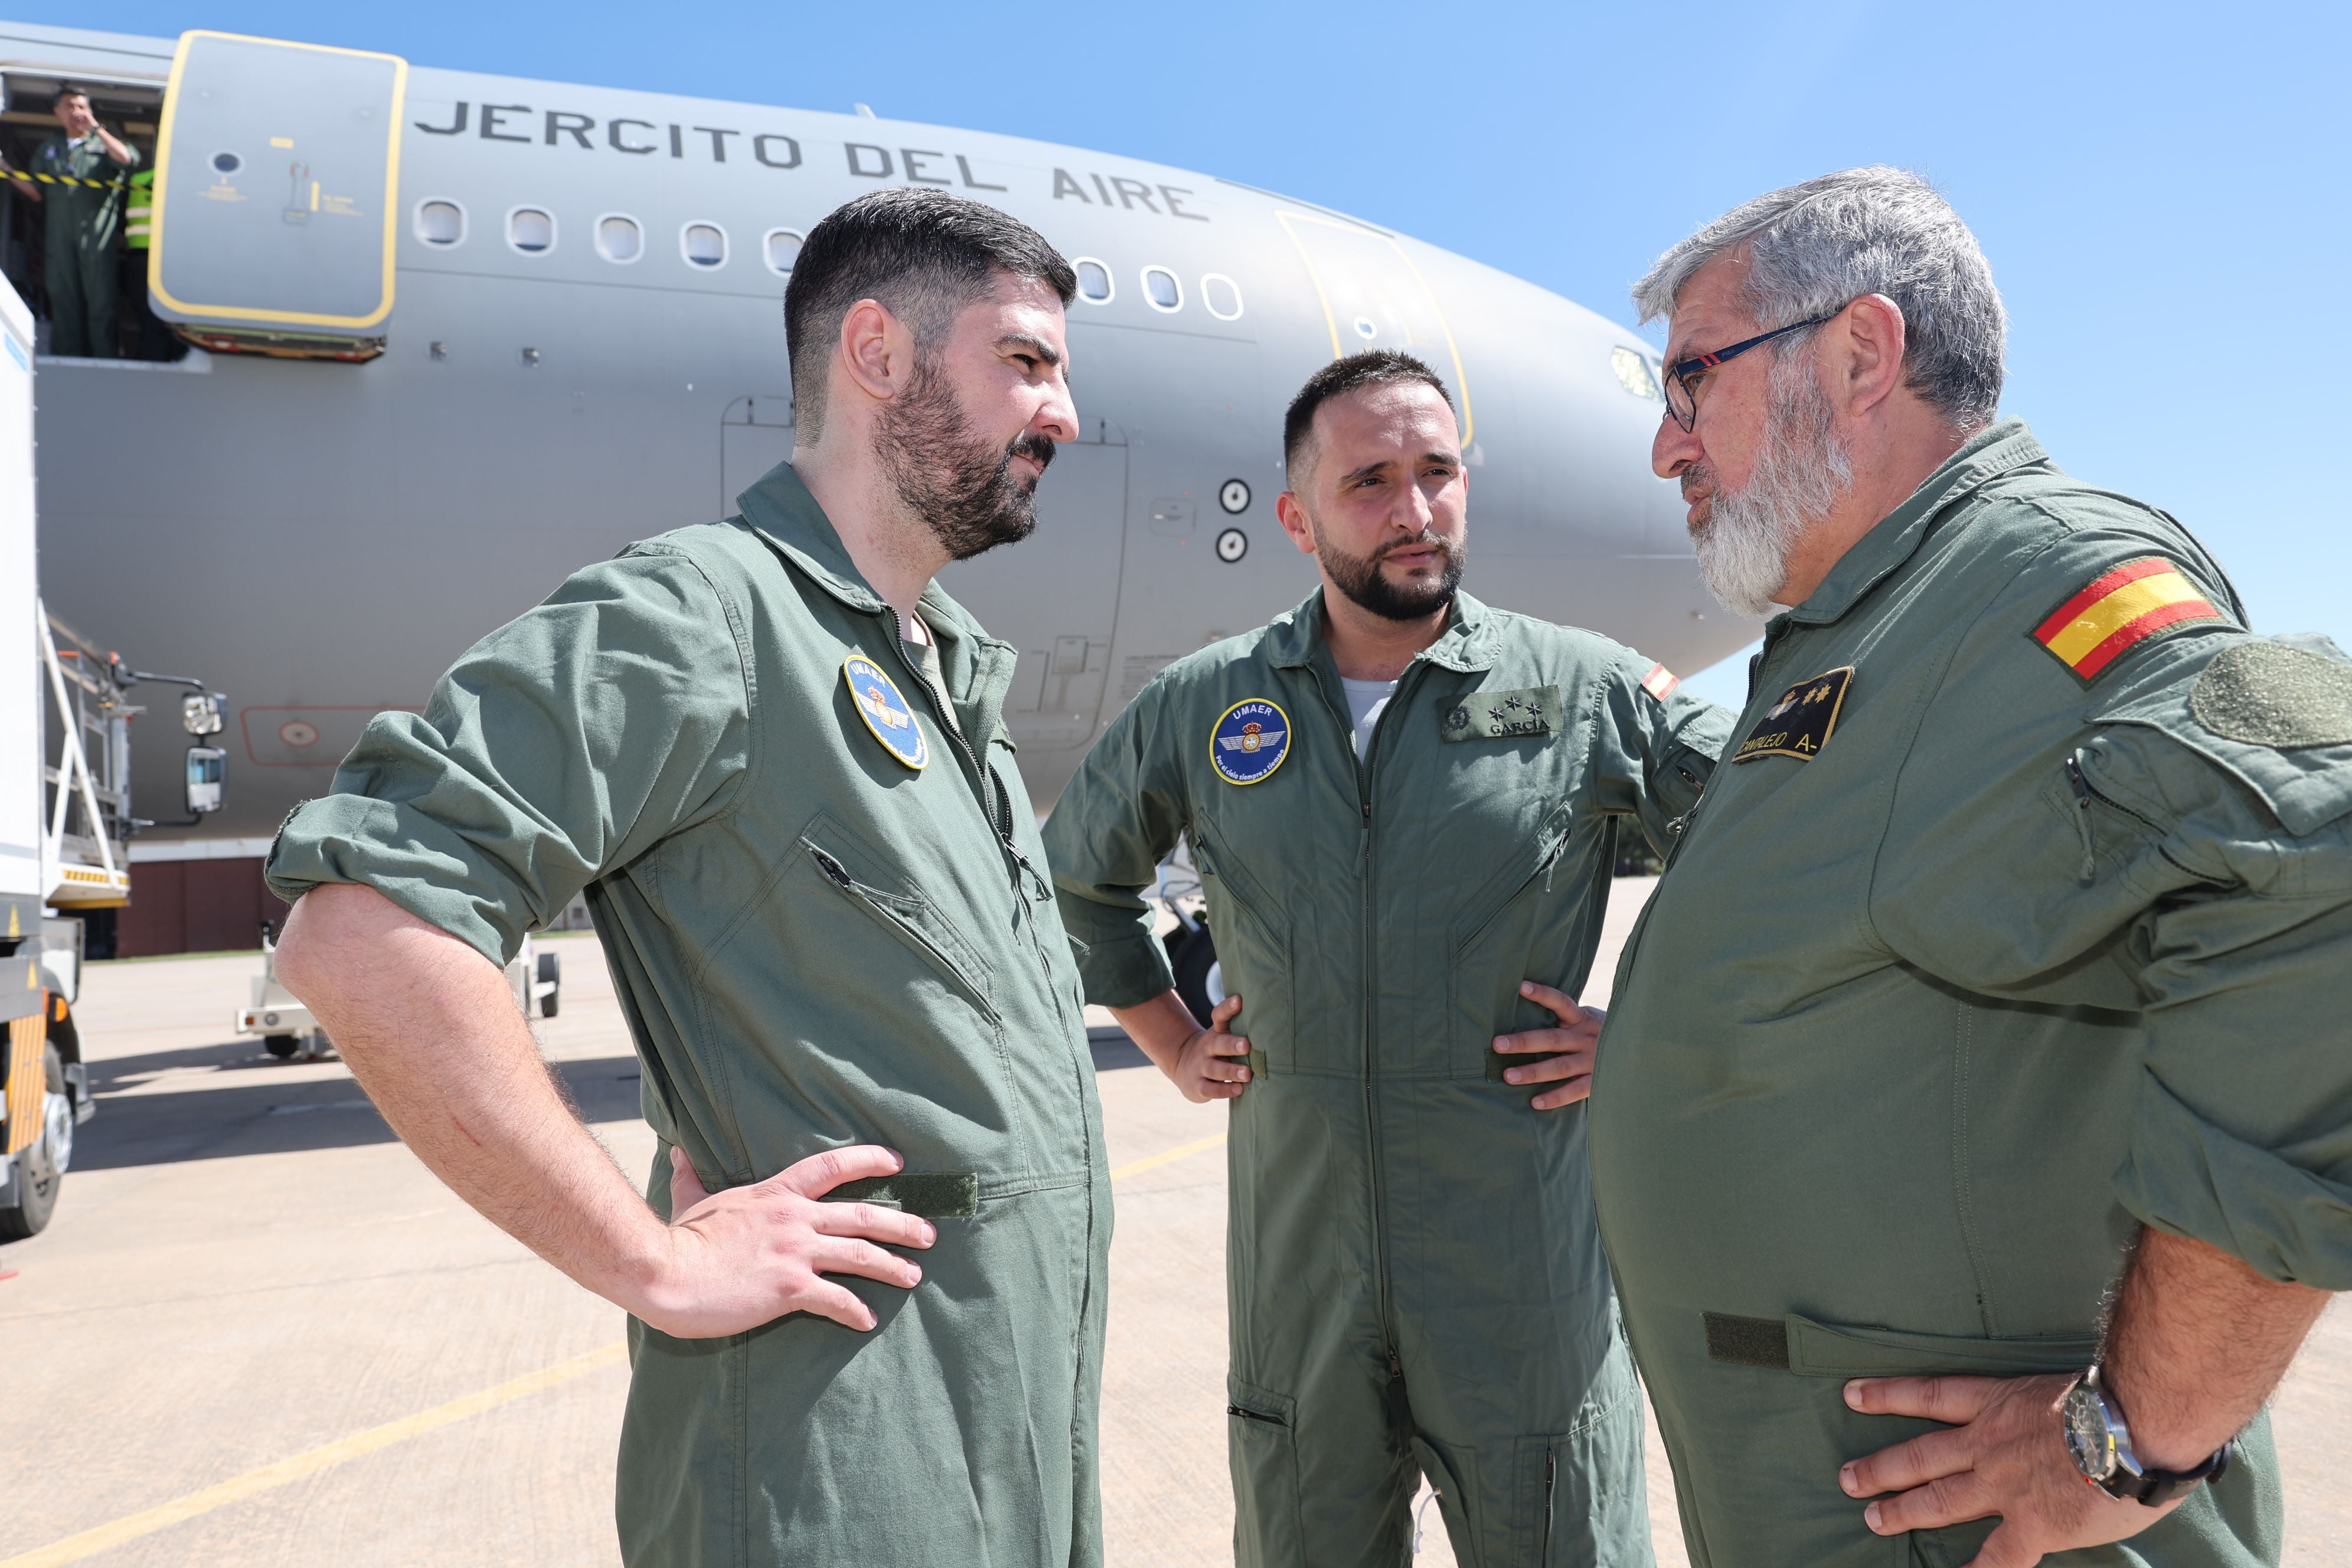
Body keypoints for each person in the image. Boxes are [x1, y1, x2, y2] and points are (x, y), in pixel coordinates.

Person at [268, 188, 1110, 1567]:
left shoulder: (951, 680)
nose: (1063, 415)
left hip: (1013, 1452)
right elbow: (361, 927)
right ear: (879, 353)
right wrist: (649, 1260)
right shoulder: (702, 614)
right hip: (835, 1477)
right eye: (1026, 361)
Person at [1591, 165, 2352, 1568]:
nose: (1664, 443)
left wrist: (2134, 1434)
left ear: (1862, 356)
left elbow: (2319, 872)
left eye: (1691, 378)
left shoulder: (2032, 584)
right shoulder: (1857, 633)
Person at [1044, 349, 1731, 1566]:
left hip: (1525, 1283)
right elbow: (1074, 882)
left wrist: (1648, 1034)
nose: (1415, 510)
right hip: (1301, 1283)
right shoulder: (1207, 702)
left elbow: (1776, 853)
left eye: (1438, 472)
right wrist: (1171, 1037)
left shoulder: (1585, 687)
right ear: (1299, 517)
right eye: (1371, 481)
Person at [27, 87, 138, 357]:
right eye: (69, 106)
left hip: (97, 244)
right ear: (57, 112)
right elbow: (35, 192)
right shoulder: (50, 149)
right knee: (64, 301)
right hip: (60, 243)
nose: (76, 112)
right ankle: (66, 361)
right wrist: (5, 168)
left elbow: (126, 159)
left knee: (101, 304)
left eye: (81, 106)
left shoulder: (104, 143)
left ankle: (106, 363)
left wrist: (97, 128)